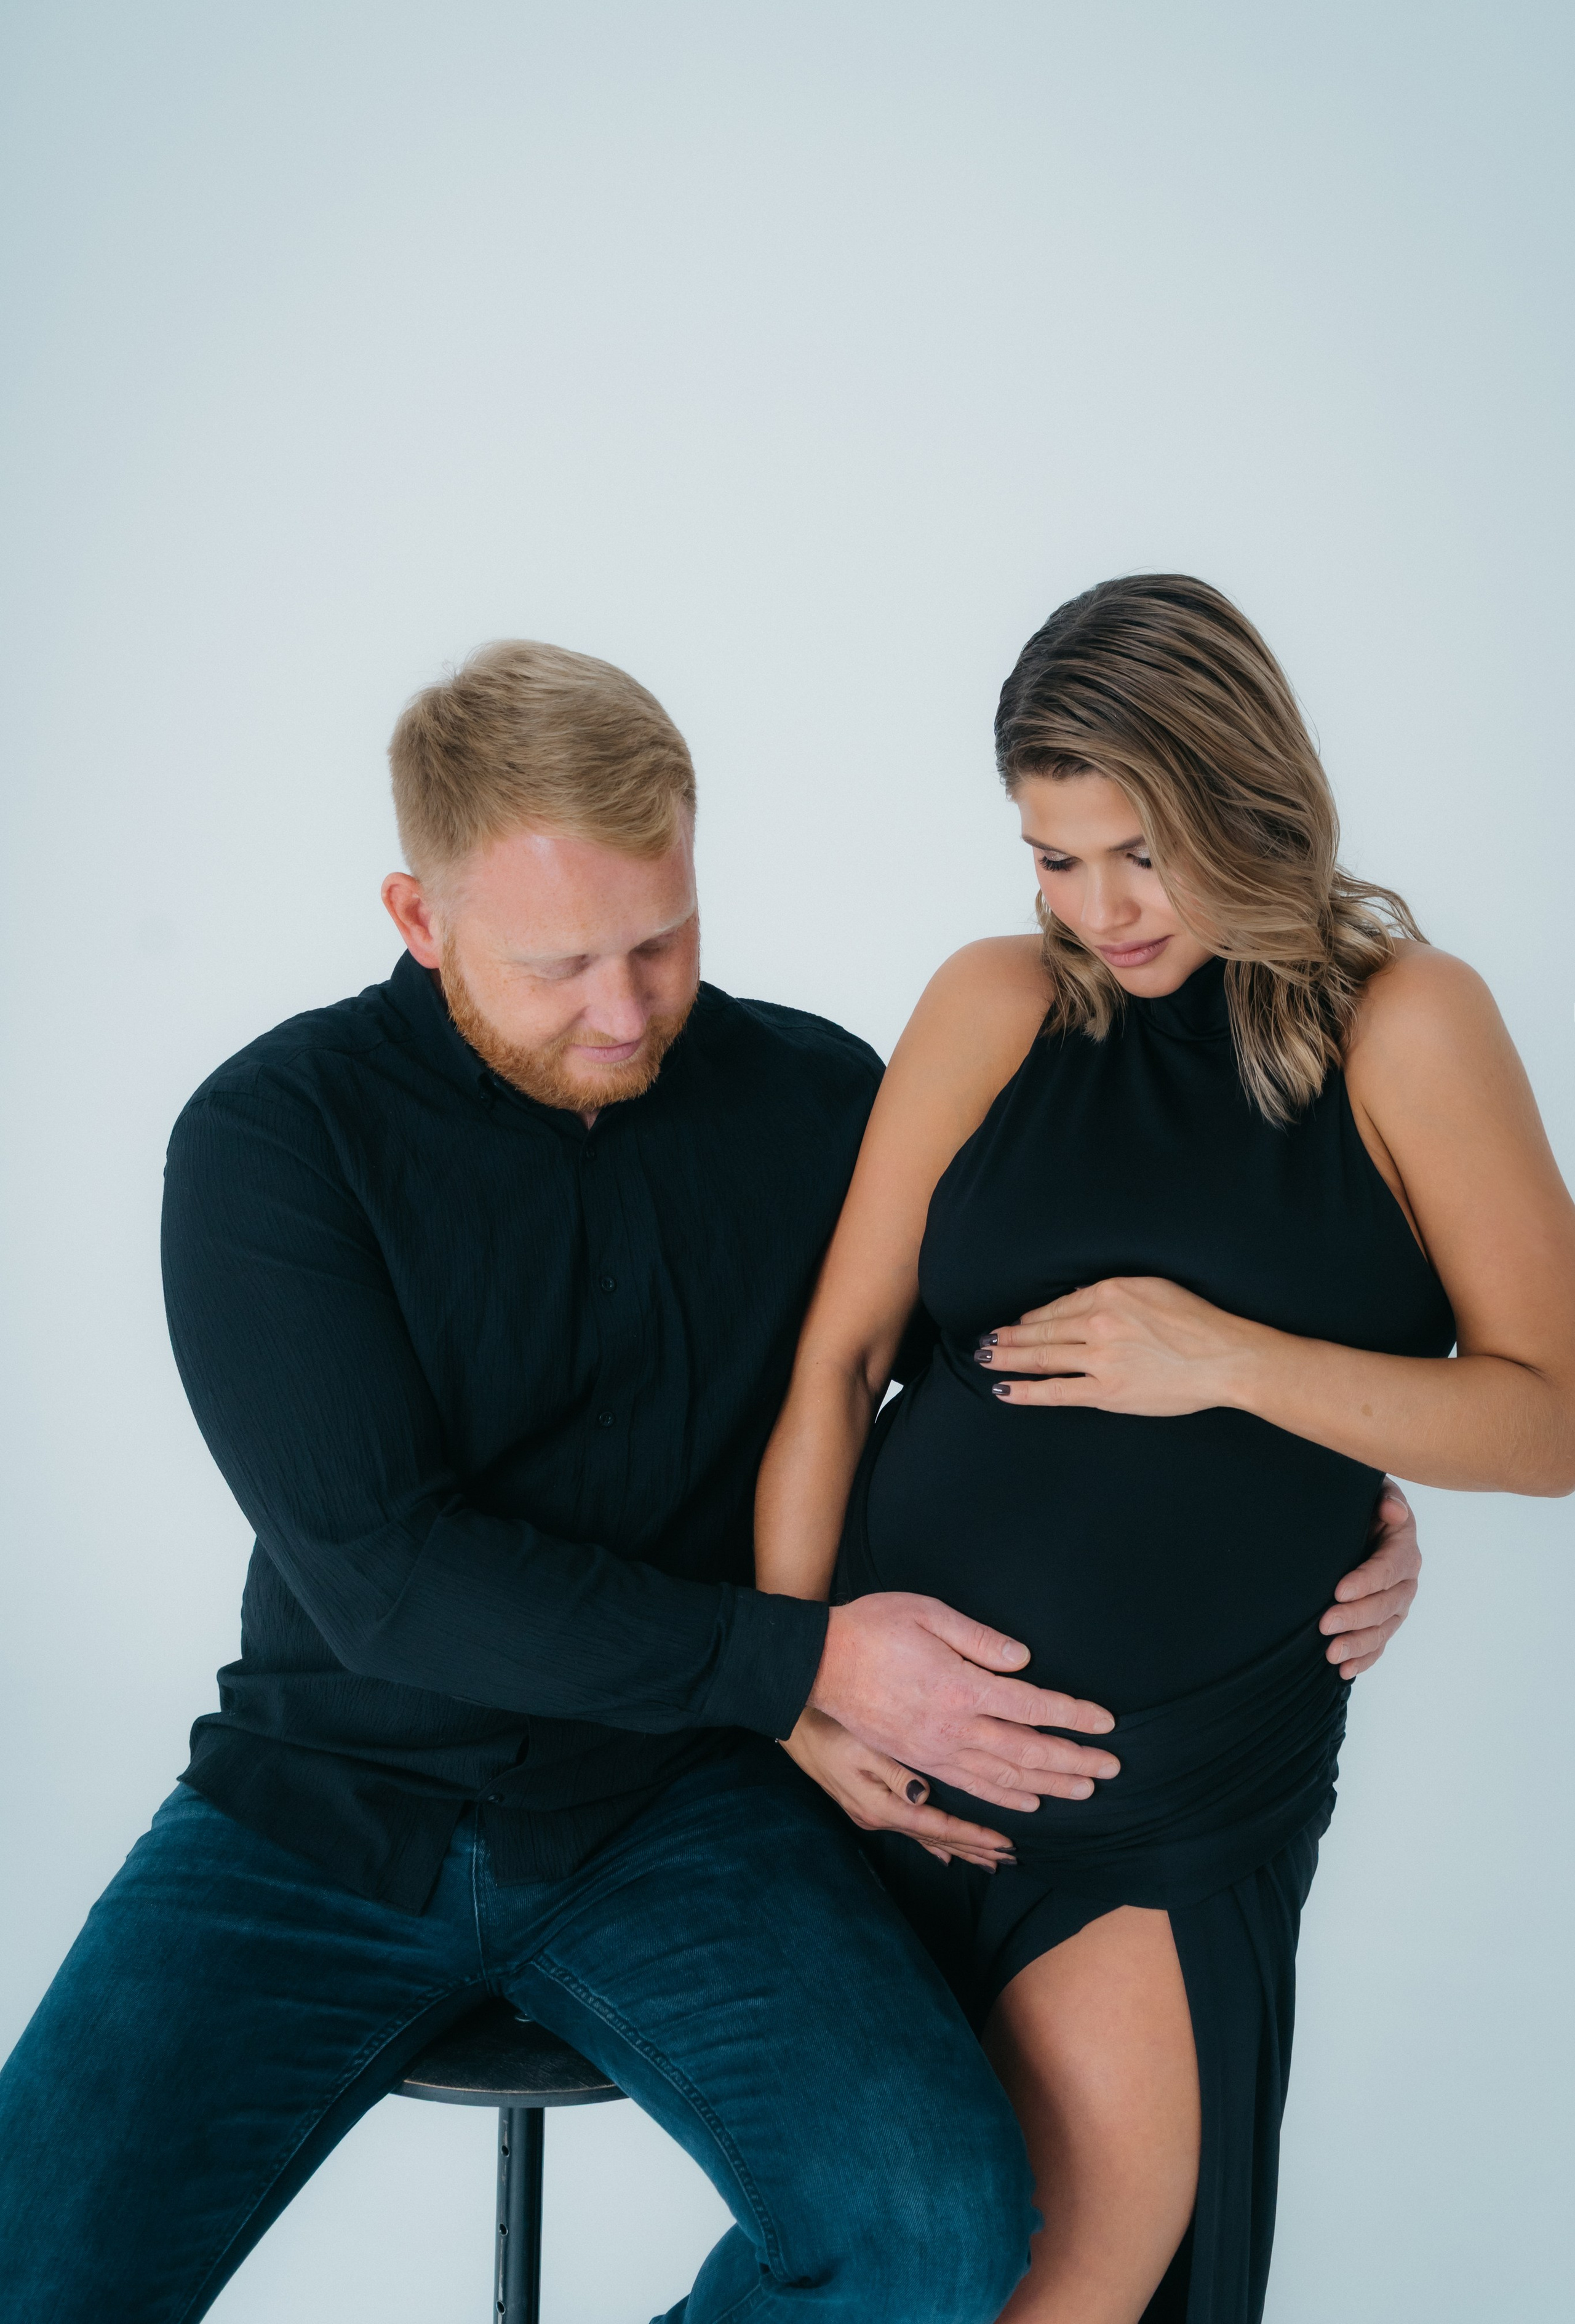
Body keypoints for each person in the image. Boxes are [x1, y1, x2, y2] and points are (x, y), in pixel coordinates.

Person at [0, 639, 1421, 2323]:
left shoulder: (819, 1096)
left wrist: (1318, 1509)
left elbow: (1016, 1378)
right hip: (321, 1813)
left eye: (663, 940)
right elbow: (389, 1577)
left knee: (940, 2227)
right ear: (417, 915)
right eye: (562, 963)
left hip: (684, 1811)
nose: (627, 1008)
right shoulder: (272, 1139)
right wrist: (800, 1663)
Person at [756, 575, 1575, 2324]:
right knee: (861, 2279)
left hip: (1164, 1804)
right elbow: (835, 1369)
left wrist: (1231, 1361)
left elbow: (1552, 1412)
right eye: (1054, 856)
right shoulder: (995, 1001)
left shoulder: (1407, 1023)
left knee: (1050, 2291)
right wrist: (796, 1687)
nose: (1098, 908)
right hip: (877, 1762)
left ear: (1241, 793)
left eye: (1137, 849)